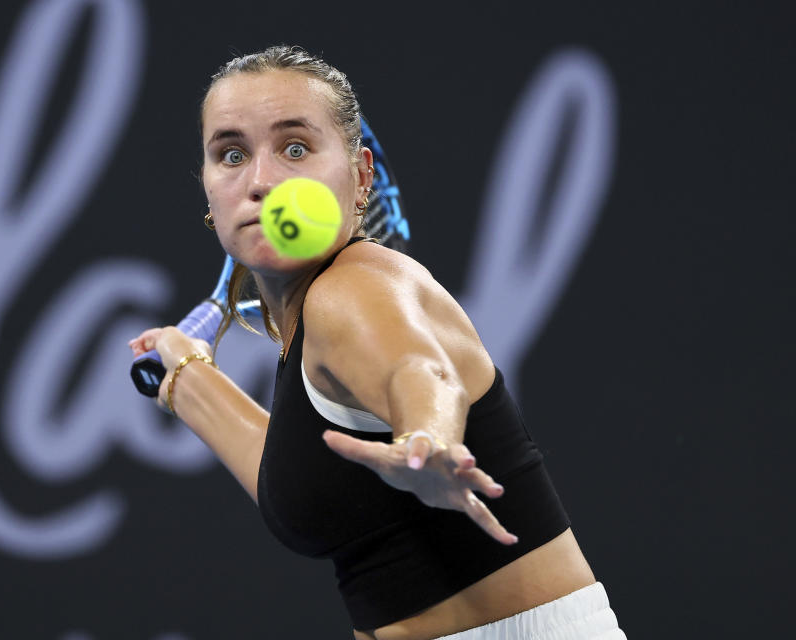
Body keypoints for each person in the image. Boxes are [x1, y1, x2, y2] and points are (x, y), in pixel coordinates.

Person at [129, 45, 625, 640]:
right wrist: (187, 378)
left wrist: (427, 440)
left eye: (294, 148)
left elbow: (421, 372)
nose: (261, 181)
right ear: (209, 191)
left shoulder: (354, 289)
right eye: (231, 154)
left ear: (362, 175)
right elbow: (286, 470)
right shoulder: (309, 326)